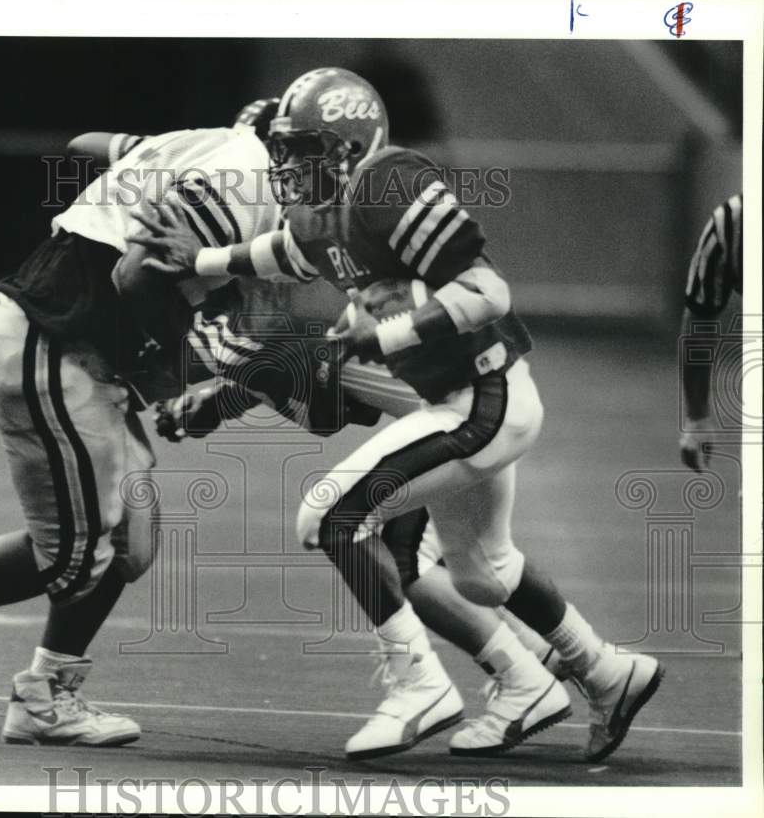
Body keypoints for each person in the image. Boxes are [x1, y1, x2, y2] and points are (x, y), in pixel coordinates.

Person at [128, 67, 664, 762]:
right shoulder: (322, 216)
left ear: (349, 146)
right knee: (481, 572)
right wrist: (197, 255)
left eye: (301, 149)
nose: (286, 166)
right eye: (282, 150)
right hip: (465, 402)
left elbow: (489, 290)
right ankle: (608, 670)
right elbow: (281, 254)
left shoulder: (388, 182)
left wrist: (386, 336)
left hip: (483, 398)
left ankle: (419, 685)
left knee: (329, 514)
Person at [0, 113, 281, 747]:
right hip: (52, 347)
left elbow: (84, 144)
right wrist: (180, 358)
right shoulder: (245, 176)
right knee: (78, 556)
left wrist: (141, 166)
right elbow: (138, 275)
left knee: (129, 540)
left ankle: (47, 692)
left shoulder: (200, 149)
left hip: (70, 350)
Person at [678, 194, 743, 472]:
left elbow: (699, 324)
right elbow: (700, 322)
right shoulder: (733, 222)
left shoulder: (733, 220)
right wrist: (697, 417)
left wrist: (697, 418)